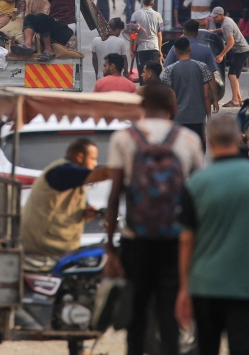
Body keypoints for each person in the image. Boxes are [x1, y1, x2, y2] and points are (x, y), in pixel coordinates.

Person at [105, 83, 205, 355]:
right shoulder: (189, 140)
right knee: (169, 313)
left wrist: (111, 248)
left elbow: (115, 196)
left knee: (136, 316)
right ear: (174, 108)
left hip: (135, 241)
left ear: (140, 105)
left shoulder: (123, 139)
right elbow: (198, 197)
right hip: (174, 242)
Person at [176, 115, 249, 355]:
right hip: (247, 285)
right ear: (239, 139)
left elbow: (186, 240)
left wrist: (185, 287)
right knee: (243, 348)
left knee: (206, 348)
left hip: (205, 285)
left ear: (210, 141)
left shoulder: (196, 183)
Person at [19, 137, 111, 355]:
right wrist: (126, 164)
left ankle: (77, 345)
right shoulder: (64, 171)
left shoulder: (67, 176)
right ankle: (78, 346)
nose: (94, 164)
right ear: (79, 157)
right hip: (47, 243)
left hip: (55, 242)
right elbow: (101, 174)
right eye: (93, 159)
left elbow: (66, 207)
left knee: (78, 285)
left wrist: (88, 213)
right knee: (81, 280)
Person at [161, 37, 214, 150]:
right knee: (198, 149)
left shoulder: (169, 70)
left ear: (175, 51)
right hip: (198, 117)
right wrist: (209, 117)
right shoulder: (202, 67)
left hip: (178, 117)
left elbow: (169, 96)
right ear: (190, 48)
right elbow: (206, 94)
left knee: (180, 149)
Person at [163, 20, 218, 114]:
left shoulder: (176, 48)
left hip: (179, 98)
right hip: (199, 100)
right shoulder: (206, 50)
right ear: (197, 33)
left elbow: (167, 70)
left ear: (184, 32)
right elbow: (211, 76)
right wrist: (215, 99)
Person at [212, 7, 249, 107]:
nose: (214, 19)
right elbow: (224, 29)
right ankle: (239, 99)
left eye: (215, 17)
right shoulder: (227, 21)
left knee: (232, 75)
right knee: (234, 76)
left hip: (241, 51)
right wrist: (214, 31)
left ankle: (235, 100)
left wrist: (221, 55)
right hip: (241, 50)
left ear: (221, 15)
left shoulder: (227, 23)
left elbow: (231, 41)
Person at [130, 0, 163, 81]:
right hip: (154, 48)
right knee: (154, 76)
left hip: (141, 49)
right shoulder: (158, 15)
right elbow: (159, 34)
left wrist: (132, 50)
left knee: (143, 76)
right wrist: (160, 50)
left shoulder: (135, 15)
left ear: (143, 2)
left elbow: (132, 34)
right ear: (153, 4)